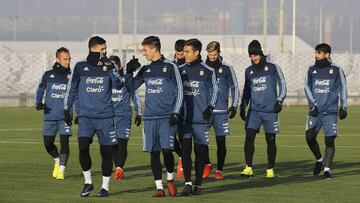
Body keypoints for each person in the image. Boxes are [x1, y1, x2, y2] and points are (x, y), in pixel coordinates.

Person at [64, 36, 122, 197]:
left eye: (105, 49)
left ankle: (105, 187)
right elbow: (72, 89)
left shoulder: (109, 65)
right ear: (93, 48)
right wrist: (67, 110)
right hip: (86, 117)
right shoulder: (80, 66)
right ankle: (88, 182)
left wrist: (111, 69)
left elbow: (118, 85)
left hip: (105, 117)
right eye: (102, 49)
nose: (105, 51)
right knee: (82, 147)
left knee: (106, 152)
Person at [126, 36, 183, 197]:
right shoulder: (146, 69)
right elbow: (130, 87)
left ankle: (170, 179)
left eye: (145, 50)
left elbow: (180, 91)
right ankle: (159, 187)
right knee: (154, 153)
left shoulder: (171, 67)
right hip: (150, 117)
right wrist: (129, 72)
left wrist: (176, 112)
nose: (144, 54)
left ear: (154, 49)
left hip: (167, 117)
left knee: (167, 150)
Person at [239, 40, 287, 178]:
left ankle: (270, 169)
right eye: (251, 56)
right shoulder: (249, 71)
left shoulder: (273, 68)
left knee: (270, 140)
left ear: (260, 53)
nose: (253, 58)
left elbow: (282, 84)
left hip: (270, 112)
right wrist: (243, 107)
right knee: (249, 137)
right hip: (254, 111)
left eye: (255, 55)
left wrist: (279, 101)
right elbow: (246, 90)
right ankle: (248, 167)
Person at [178, 38, 218, 196]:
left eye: (187, 52)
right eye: (184, 51)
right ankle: (187, 183)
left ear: (196, 52)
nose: (184, 54)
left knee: (200, 151)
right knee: (186, 151)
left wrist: (211, 107)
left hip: (201, 119)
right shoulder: (179, 69)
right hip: (185, 119)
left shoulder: (208, 70)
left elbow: (216, 90)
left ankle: (198, 185)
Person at [304, 43, 347, 179]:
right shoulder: (311, 70)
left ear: (327, 54)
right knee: (309, 137)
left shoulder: (336, 69)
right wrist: (313, 106)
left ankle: (327, 169)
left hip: (330, 112)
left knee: (329, 140)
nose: (316, 55)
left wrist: (343, 107)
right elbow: (307, 88)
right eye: (315, 53)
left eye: (318, 53)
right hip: (315, 111)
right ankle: (319, 159)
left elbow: (343, 88)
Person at [202, 41, 239, 180]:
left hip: (221, 112)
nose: (212, 56)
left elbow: (235, 87)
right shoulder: (202, 68)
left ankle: (219, 170)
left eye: (214, 54)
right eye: (210, 54)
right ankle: (207, 164)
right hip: (205, 112)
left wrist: (234, 105)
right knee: (202, 142)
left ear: (219, 53)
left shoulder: (227, 68)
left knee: (220, 142)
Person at [35, 47, 72, 180]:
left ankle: (62, 170)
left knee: (64, 142)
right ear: (58, 59)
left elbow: (77, 96)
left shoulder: (72, 76)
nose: (68, 62)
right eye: (65, 59)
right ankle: (57, 160)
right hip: (50, 115)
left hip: (65, 116)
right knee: (48, 144)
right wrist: (38, 102)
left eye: (69, 59)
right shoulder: (48, 75)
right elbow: (40, 89)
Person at [109, 55, 142, 181]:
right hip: (109, 117)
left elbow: (135, 95)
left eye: (114, 65)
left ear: (119, 66)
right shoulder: (107, 80)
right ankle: (118, 167)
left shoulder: (126, 79)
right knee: (113, 144)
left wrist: (138, 113)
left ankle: (119, 168)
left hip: (124, 116)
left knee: (122, 143)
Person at [173, 39, 186, 179]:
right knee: (171, 138)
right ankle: (182, 155)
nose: (180, 56)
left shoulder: (189, 66)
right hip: (172, 106)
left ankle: (183, 161)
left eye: (182, 53)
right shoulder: (172, 65)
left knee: (184, 136)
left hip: (186, 107)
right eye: (178, 53)